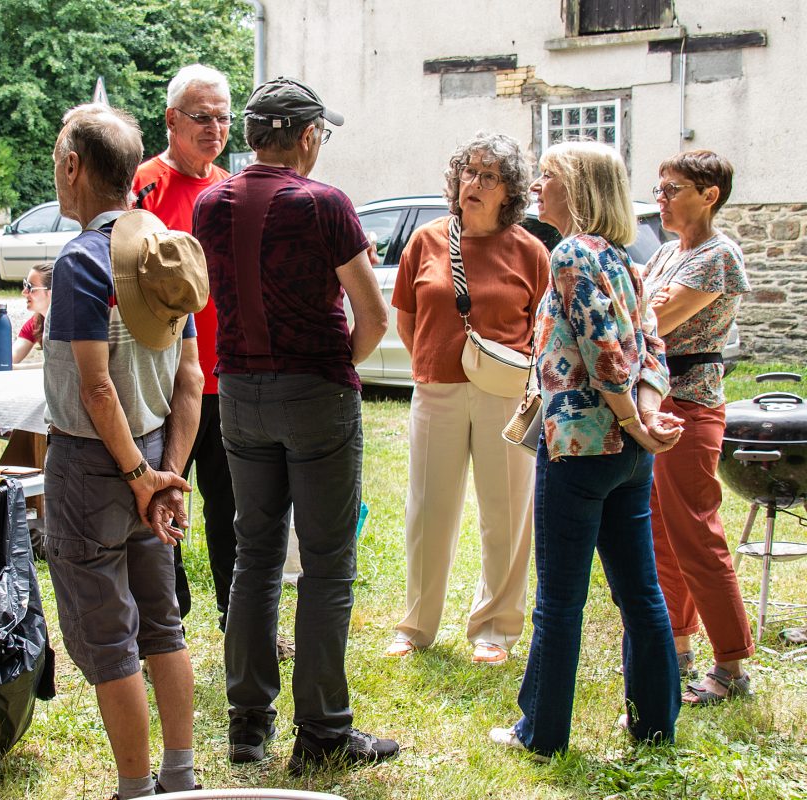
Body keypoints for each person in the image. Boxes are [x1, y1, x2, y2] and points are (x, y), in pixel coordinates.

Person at [193, 77, 396, 773]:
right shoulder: (323, 203)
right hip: (314, 392)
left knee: (254, 555)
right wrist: (334, 365)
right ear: (307, 136)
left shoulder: (210, 203)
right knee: (327, 564)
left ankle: (247, 724)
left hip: (239, 392)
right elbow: (374, 316)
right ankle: (323, 732)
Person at [489, 141, 684, 760]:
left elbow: (605, 354)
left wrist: (632, 417)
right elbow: (650, 348)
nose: (536, 187)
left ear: (577, 186)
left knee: (560, 601)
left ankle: (540, 734)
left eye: (547, 176)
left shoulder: (573, 252)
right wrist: (643, 421)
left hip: (579, 450)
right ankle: (655, 723)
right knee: (640, 591)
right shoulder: (625, 259)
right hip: (627, 455)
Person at [43, 103, 205, 799]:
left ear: (74, 167)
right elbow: (191, 378)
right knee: (162, 625)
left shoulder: (82, 260)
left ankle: (136, 791)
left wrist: (141, 478)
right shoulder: (164, 249)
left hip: (92, 466)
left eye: (58, 161)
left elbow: (96, 387)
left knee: (111, 639)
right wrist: (167, 474)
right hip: (157, 452)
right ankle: (180, 778)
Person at [385, 133, 549, 665]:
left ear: (510, 192)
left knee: (506, 512)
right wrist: (436, 360)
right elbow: (408, 318)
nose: (473, 183)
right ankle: (416, 625)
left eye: (489, 176)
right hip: (438, 389)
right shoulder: (426, 240)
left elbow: (544, 330)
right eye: (468, 171)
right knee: (428, 509)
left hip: (507, 394)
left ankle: (495, 628)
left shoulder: (530, 251)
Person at [643, 150, 753, 704]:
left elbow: (651, 320)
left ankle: (732, 666)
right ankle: (677, 646)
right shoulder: (668, 252)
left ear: (709, 196)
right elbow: (639, 308)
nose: (660, 199)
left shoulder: (718, 255)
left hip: (690, 406)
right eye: (659, 189)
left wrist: (644, 307)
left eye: (673, 189)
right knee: (660, 531)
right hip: (656, 402)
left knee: (696, 533)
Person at [132, 64, 235, 630]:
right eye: (202, 117)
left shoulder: (228, 188)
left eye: (223, 117)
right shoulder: (142, 185)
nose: (215, 128)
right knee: (160, 498)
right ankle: (165, 624)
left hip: (226, 377)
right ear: (171, 120)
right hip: (164, 378)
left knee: (232, 509)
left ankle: (238, 620)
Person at [11, 262, 53, 364]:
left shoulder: (71, 324)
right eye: (25, 285)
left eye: (30, 287)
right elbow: (10, 359)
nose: (24, 292)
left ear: (51, 292)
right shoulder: (37, 322)